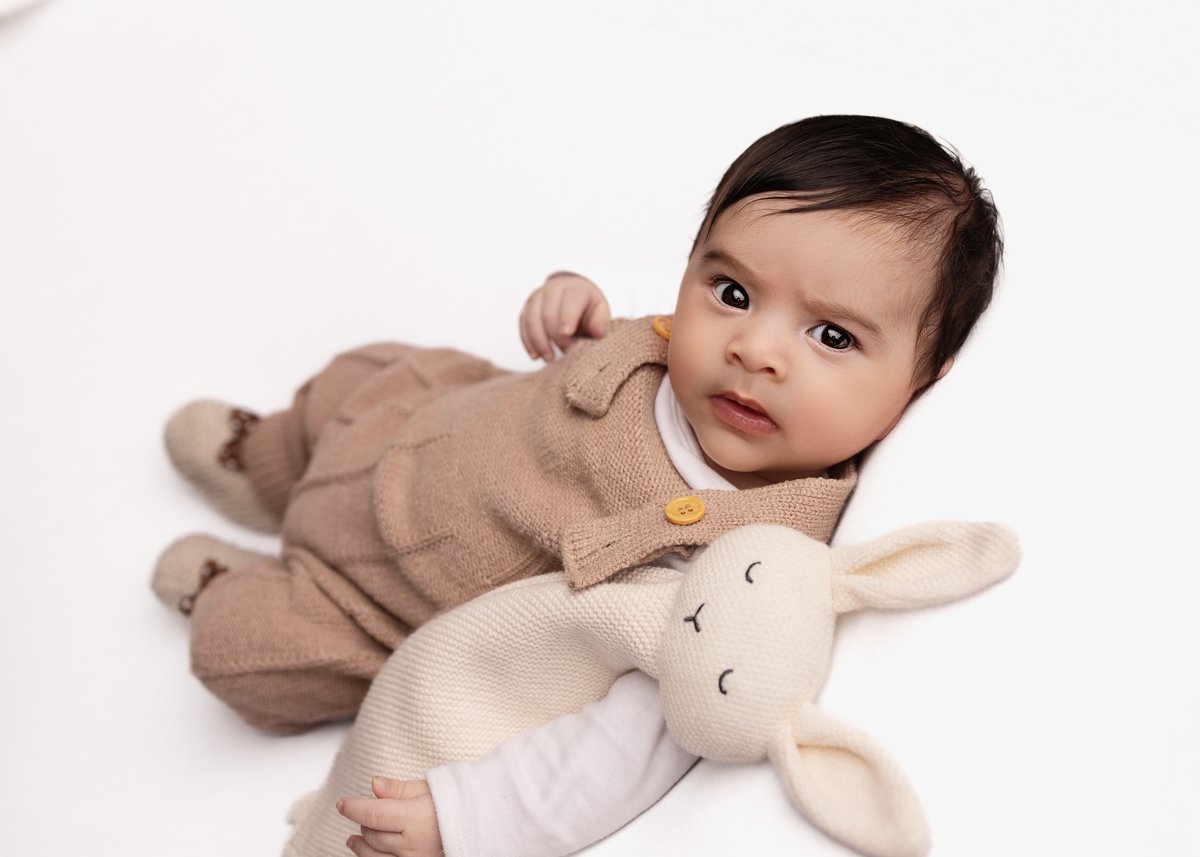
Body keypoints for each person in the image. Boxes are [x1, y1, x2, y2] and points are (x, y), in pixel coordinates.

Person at [152, 114, 1002, 857]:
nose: (755, 348)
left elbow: (628, 743)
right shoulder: (670, 350)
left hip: (376, 596)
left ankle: (233, 584)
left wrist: (468, 816)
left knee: (248, 656)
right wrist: (568, 305)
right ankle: (266, 461)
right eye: (732, 290)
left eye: (831, 336)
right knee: (359, 375)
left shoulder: (743, 561)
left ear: (925, 377)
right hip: (417, 420)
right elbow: (597, 354)